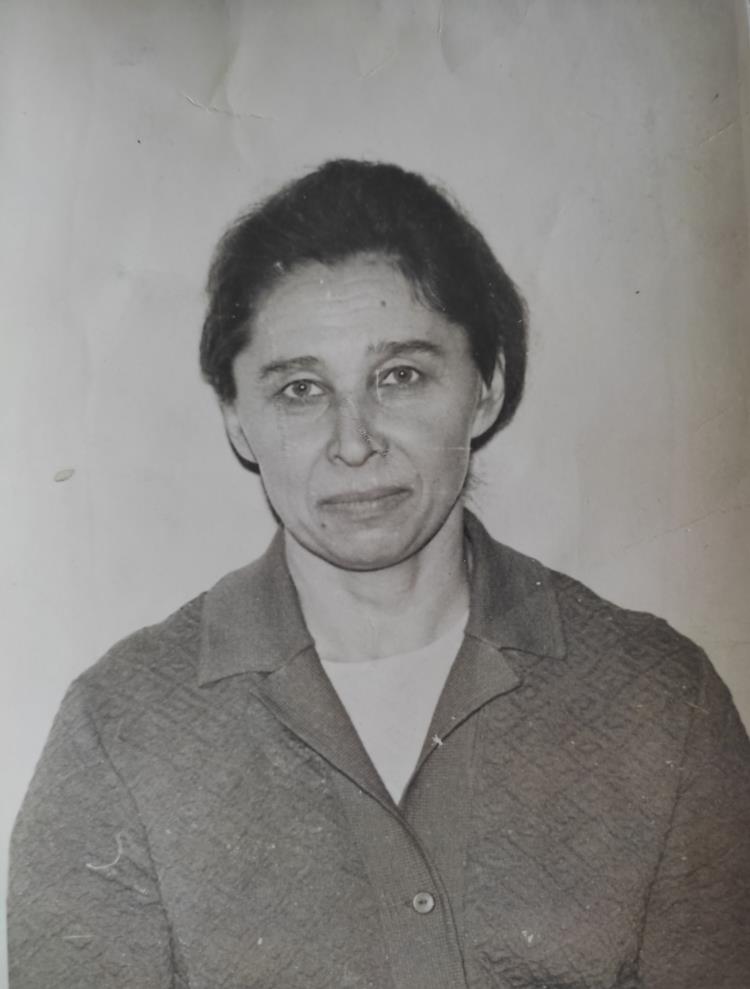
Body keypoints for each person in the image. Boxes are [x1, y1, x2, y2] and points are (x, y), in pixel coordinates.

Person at [8, 159, 750, 989]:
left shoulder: (660, 701)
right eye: (300, 389)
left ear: (486, 388)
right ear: (237, 419)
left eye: (400, 377)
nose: (354, 442)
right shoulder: (121, 729)